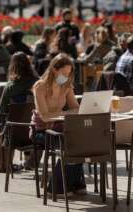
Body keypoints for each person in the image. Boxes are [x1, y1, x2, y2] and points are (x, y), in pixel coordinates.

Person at [32, 53, 85, 196]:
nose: (66, 77)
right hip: (41, 131)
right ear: (54, 69)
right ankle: (56, 188)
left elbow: (76, 108)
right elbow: (44, 116)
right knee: (69, 145)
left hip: (59, 128)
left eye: (69, 73)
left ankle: (75, 183)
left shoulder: (66, 86)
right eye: (64, 73)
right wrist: (65, 114)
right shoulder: (40, 87)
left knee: (83, 142)